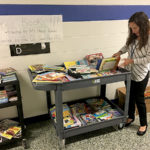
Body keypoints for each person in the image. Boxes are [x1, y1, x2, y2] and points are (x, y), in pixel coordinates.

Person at [113, 12, 150, 136]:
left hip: (141, 74)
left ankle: (144, 124)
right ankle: (130, 117)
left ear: (143, 25)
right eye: (131, 28)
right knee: (129, 96)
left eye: (135, 28)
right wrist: (119, 52)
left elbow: (148, 58)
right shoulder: (133, 36)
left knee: (139, 99)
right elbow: (127, 46)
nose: (133, 31)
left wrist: (132, 60)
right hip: (129, 72)